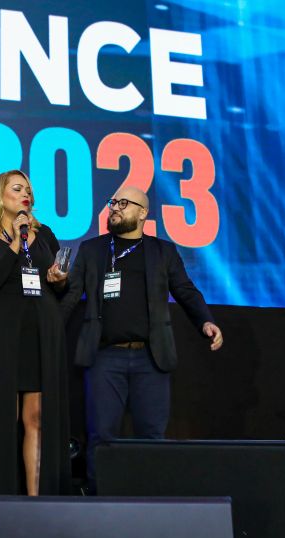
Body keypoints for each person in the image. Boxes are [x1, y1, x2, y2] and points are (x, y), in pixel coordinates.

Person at [61, 185, 223, 492]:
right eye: (113, 202)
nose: (115, 208)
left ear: (143, 213)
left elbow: (185, 291)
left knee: (152, 436)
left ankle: (151, 504)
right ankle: (100, 502)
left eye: (124, 203)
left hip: (151, 358)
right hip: (104, 357)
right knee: (101, 436)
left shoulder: (162, 251)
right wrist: (51, 328)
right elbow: (71, 296)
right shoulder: (92, 250)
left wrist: (205, 321)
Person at [0, 170, 72, 535]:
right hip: (0, 336)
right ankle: (0, 513)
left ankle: (37, 509)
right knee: (0, 419)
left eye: (29, 190)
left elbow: (56, 283)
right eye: (18, 188)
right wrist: (14, 243)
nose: (26, 194)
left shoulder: (45, 234)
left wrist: (59, 279)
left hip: (39, 333)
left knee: (35, 418)